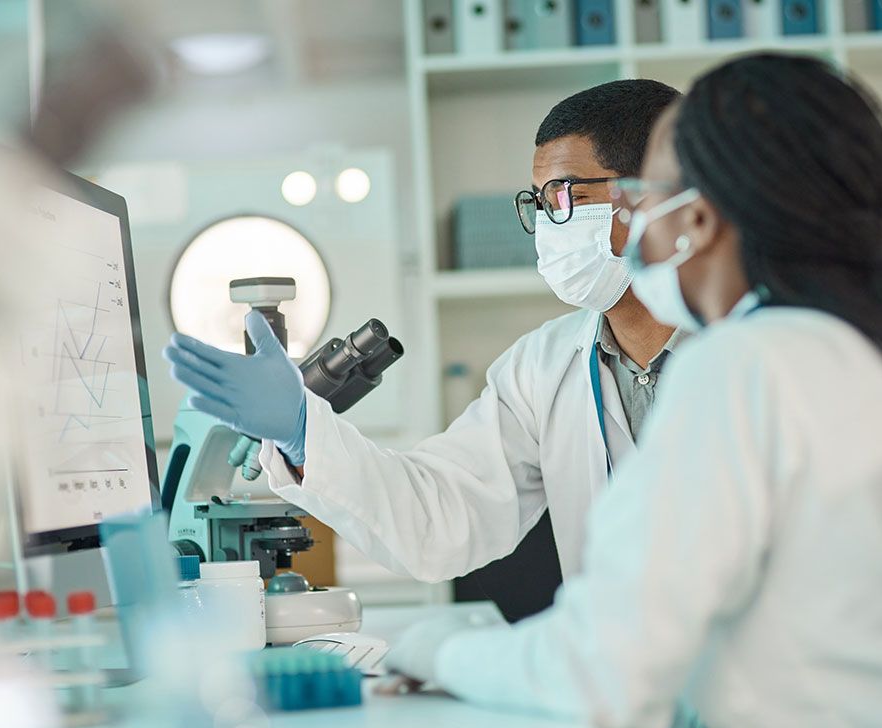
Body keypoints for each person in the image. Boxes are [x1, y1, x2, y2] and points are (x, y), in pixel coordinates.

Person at [382, 53, 882, 728]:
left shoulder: (748, 362)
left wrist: (440, 649)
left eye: (644, 192)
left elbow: (605, 671)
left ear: (699, 216)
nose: (627, 218)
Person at [163, 80, 686, 621]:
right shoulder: (542, 368)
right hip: (624, 684)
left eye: (563, 193)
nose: (548, 222)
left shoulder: (752, 351)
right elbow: (438, 519)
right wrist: (302, 433)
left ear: (652, 191)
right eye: (538, 201)